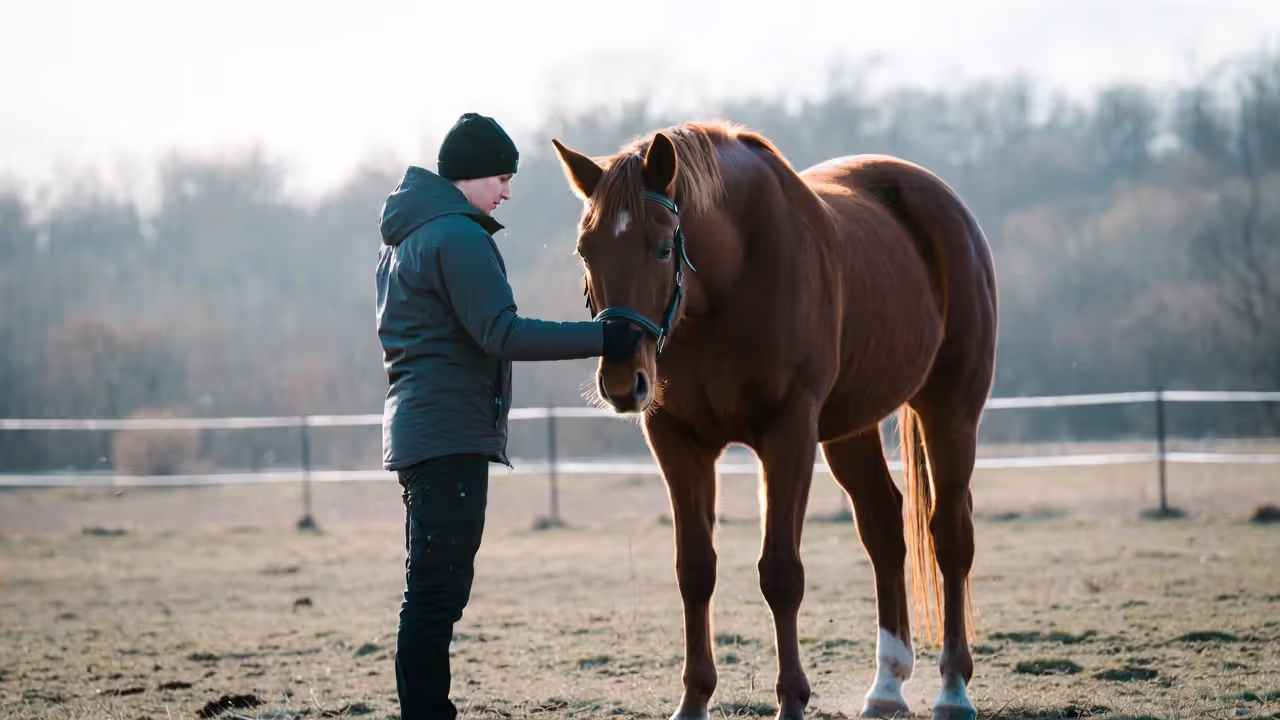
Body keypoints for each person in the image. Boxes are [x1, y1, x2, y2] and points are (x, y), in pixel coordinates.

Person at [374, 112, 643, 720]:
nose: (507, 191)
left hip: (424, 430)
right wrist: (607, 336)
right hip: (447, 435)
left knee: (435, 588)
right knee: (436, 593)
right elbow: (502, 332)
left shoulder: (406, 238)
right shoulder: (456, 236)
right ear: (470, 177)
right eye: (501, 176)